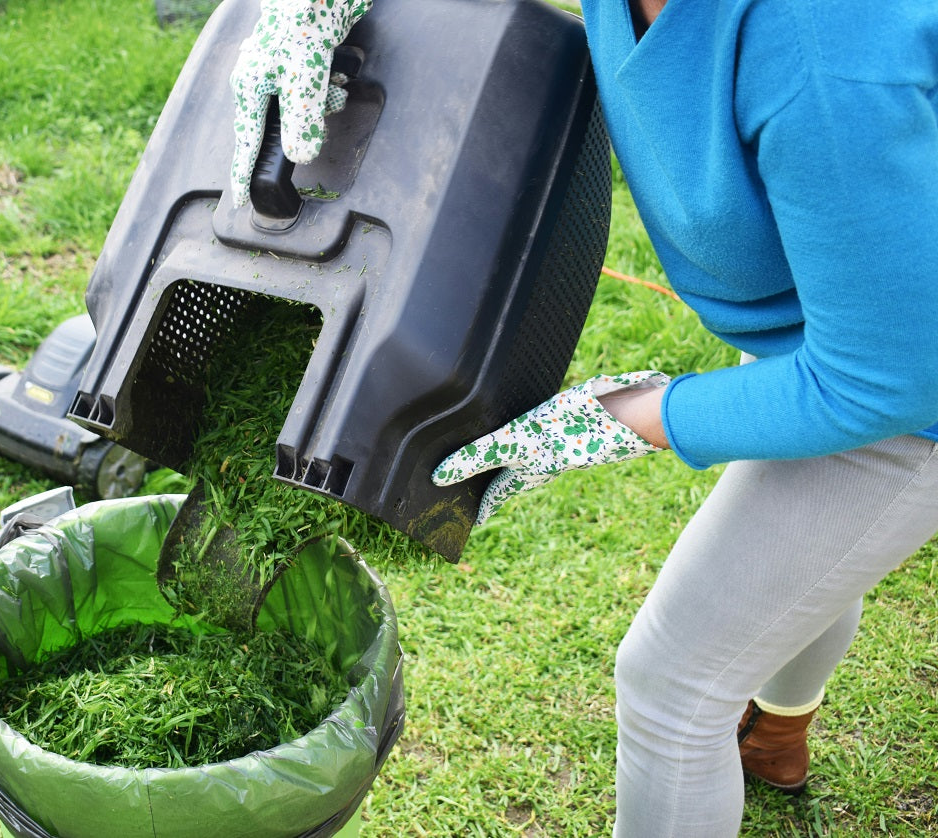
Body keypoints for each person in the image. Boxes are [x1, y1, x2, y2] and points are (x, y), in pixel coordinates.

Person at [229, 0, 938, 835]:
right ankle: (777, 734)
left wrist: (629, 414)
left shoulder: (823, 55)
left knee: (672, 685)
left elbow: (887, 379)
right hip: (835, 311)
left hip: (905, 381)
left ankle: (758, 727)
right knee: (793, 553)